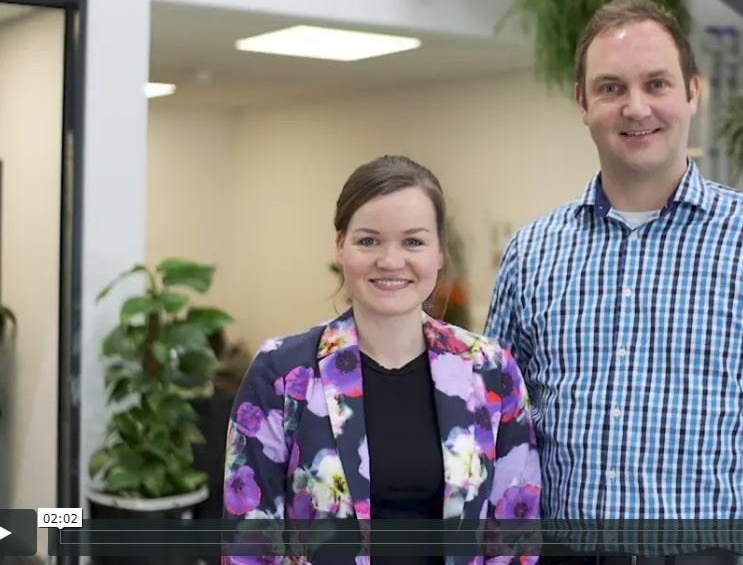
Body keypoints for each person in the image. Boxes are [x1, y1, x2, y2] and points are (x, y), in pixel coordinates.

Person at [485, 0, 743, 565]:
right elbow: (495, 428)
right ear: (582, 102)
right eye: (610, 88)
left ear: (693, 92)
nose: (635, 107)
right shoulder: (532, 252)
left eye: (656, 83)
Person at [224, 155, 541, 565]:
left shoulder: (491, 371)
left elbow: (516, 536)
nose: (391, 262)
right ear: (340, 246)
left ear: (440, 252)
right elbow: (250, 540)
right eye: (369, 240)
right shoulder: (283, 373)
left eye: (413, 241)